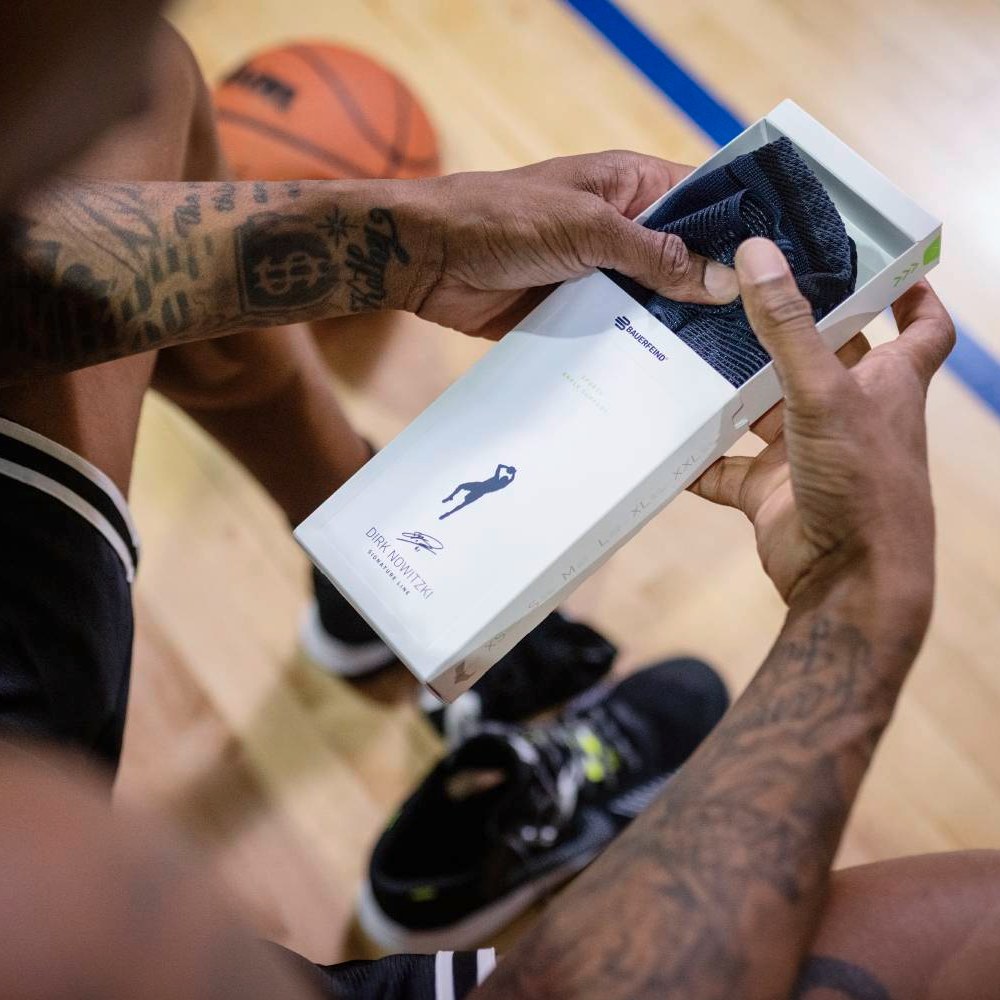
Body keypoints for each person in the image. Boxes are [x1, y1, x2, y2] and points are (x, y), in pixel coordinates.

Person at [0, 5, 990, 1000]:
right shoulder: (63, 895)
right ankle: (462, 866)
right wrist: (858, 597)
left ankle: (366, 596)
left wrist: (406, 237)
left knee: (158, 99)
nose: (119, 70)